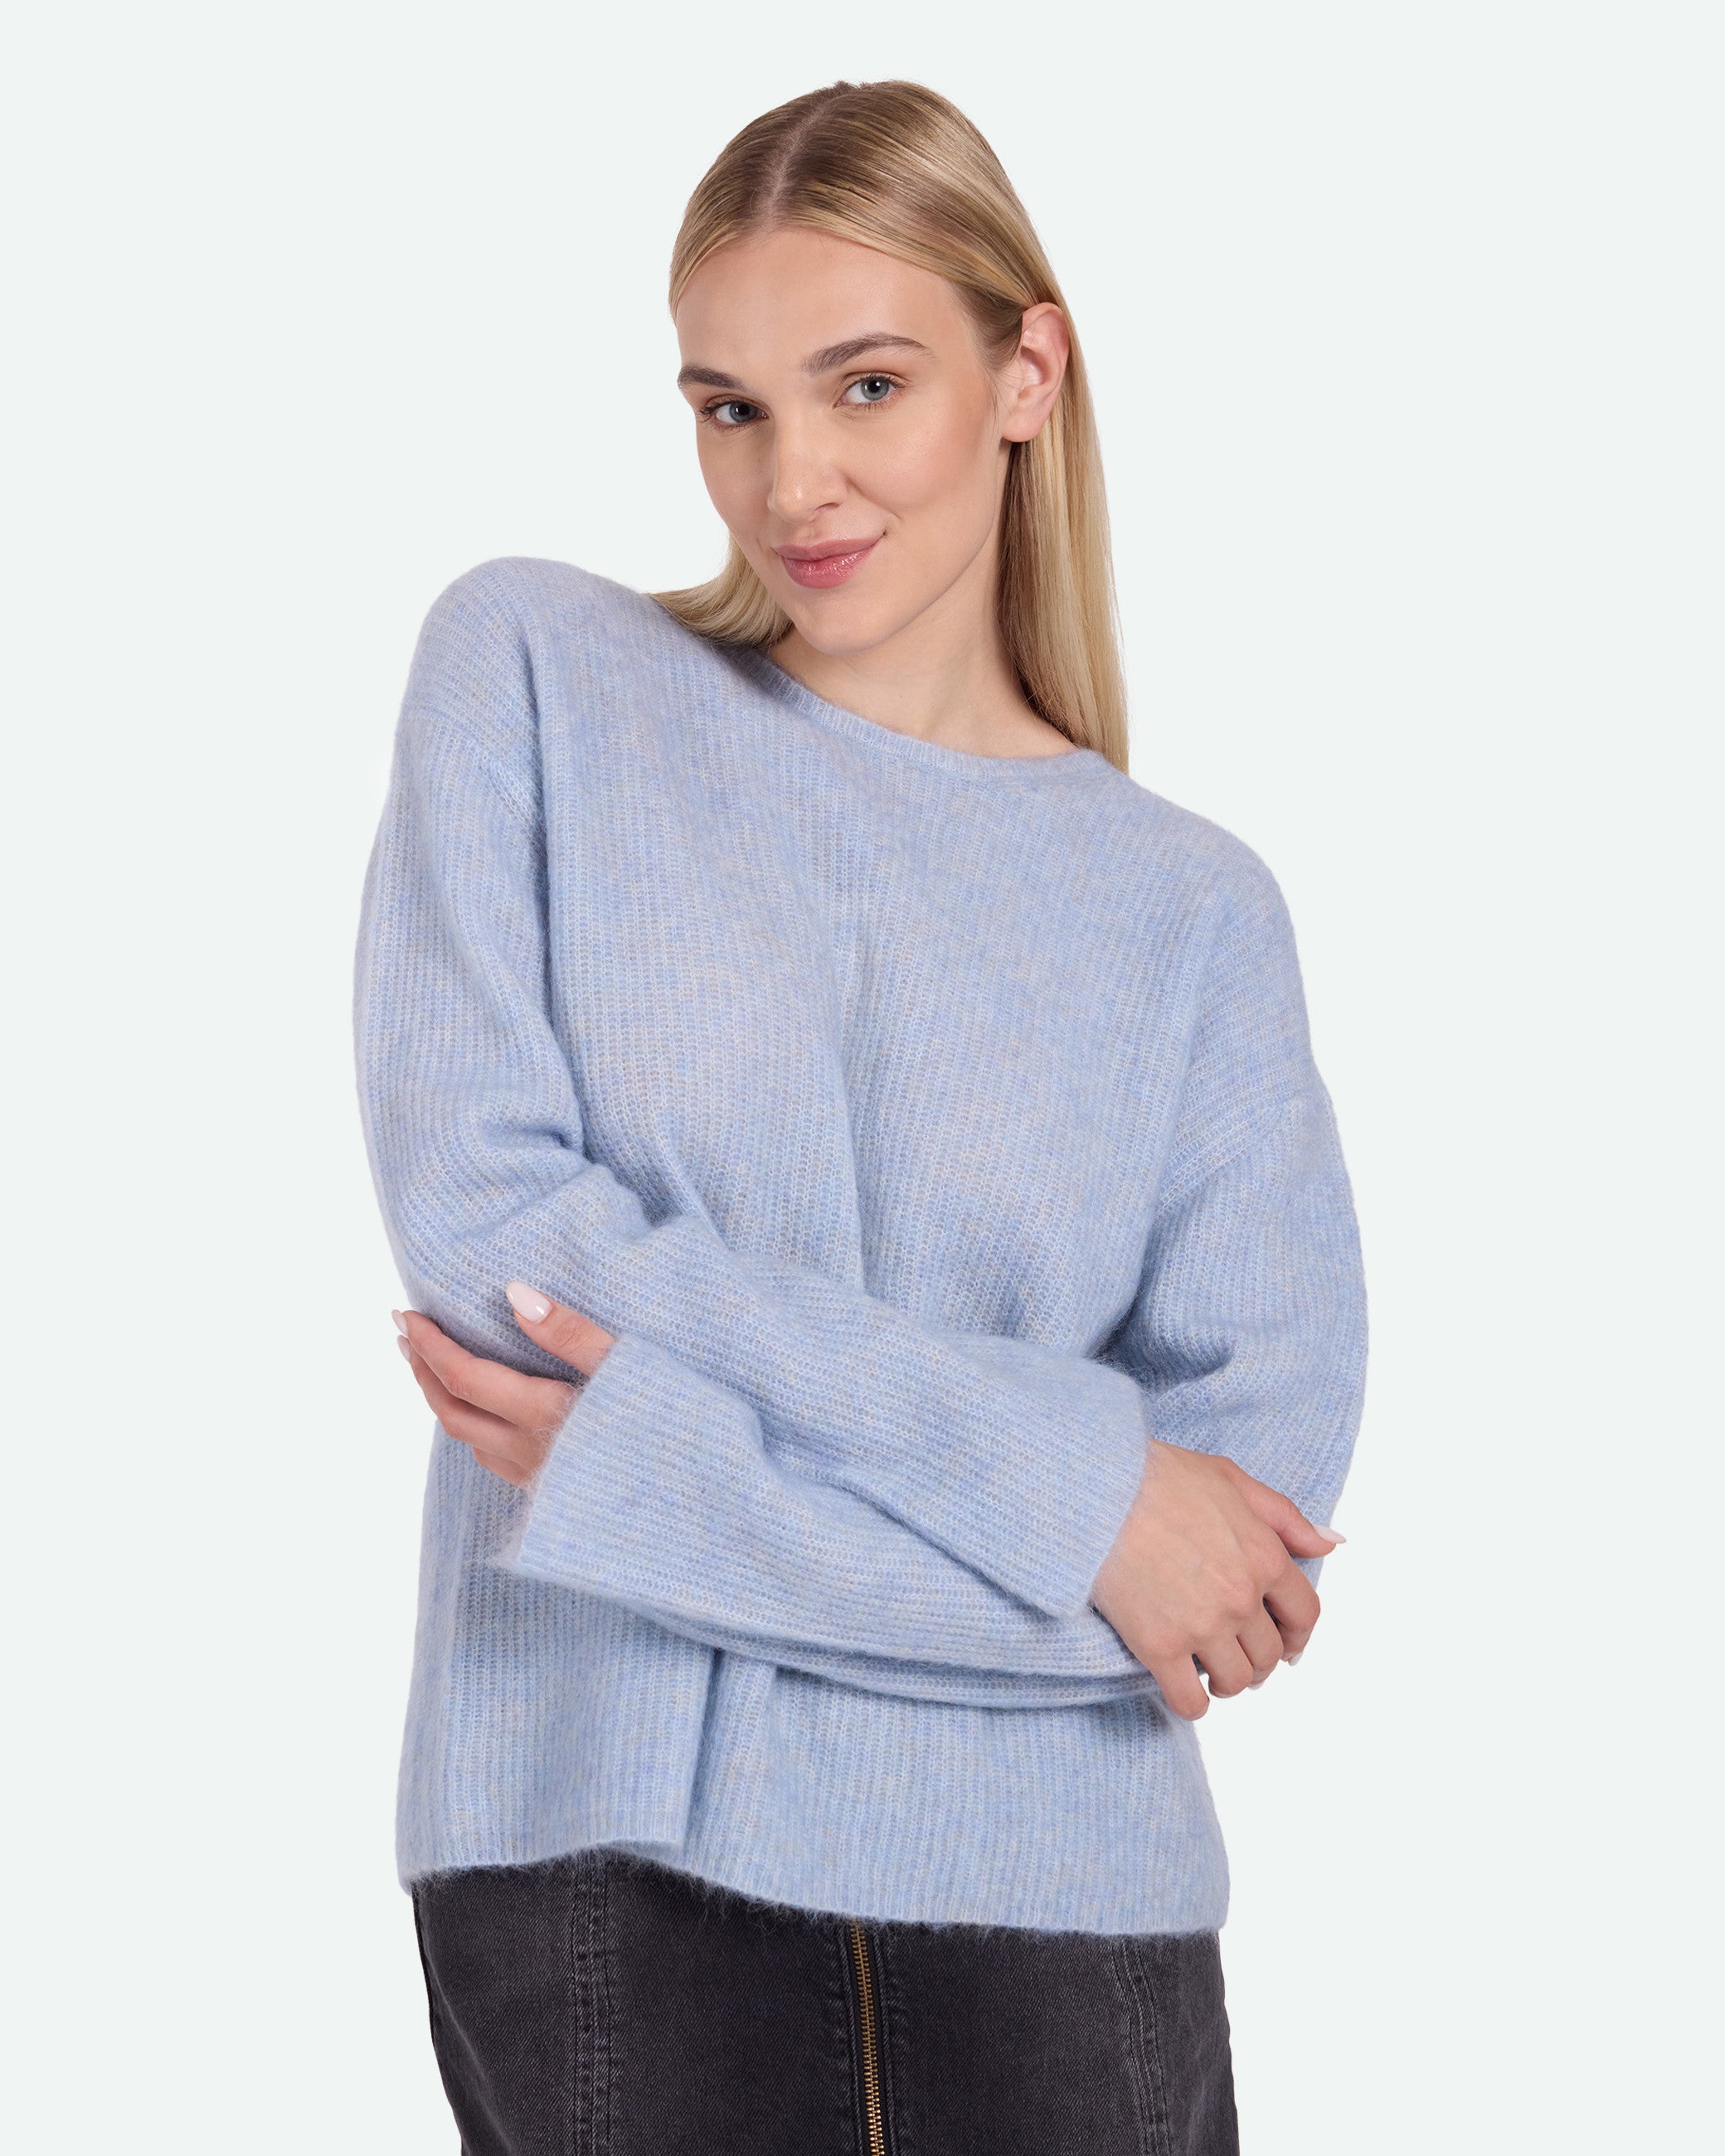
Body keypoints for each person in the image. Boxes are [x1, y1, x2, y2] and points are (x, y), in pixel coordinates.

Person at [353, 77, 1366, 2156]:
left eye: (865, 386)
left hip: (1071, 1900)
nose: (786, 480)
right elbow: (492, 1243)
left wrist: (660, 1488)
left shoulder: (1188, 909)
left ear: (1025, 373)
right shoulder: (535, 670)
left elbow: (1234, 1538)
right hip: (609, 1861)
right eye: (727, 406)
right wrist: (1079, 1494)